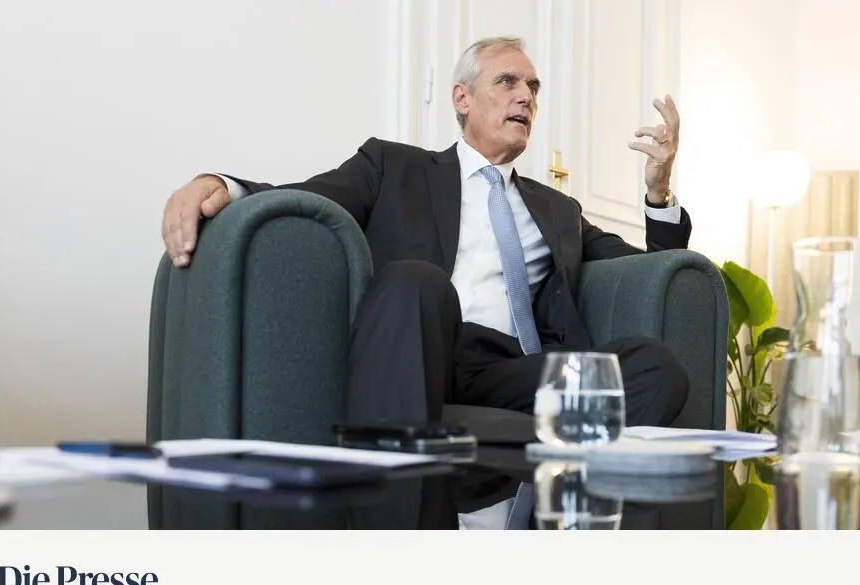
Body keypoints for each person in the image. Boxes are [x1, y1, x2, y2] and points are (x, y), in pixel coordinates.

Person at [159, 36, 694, 526]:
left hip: (511, 370)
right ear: (462, 98)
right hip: (416, 347)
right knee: (417, 283)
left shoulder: (557, 209)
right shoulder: (392, 166)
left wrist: (659, 191)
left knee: (655, 367)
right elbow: (306, 198)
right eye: (507, 81)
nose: (525, 97)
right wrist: (220, 185)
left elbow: (648, 268)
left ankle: (549, 508)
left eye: (533, 87)